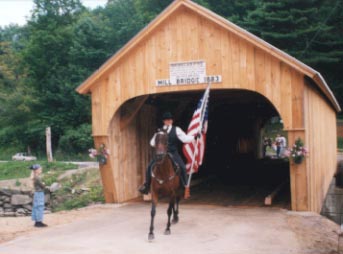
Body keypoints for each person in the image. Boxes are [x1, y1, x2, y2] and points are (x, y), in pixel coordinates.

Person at [138, 111, 199, 195]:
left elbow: (185, 139)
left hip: (173, 153)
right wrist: (157, 139)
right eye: (167, 120)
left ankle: (186, 187)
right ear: (164, 121)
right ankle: (146, 186)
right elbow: (152, 143)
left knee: (182, 167)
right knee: (149, 167)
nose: (169, 121)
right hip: (161, 154)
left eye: (170, 119)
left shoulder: (176, 130)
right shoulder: (159, 131)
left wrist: (194, 137)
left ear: (172, 121)